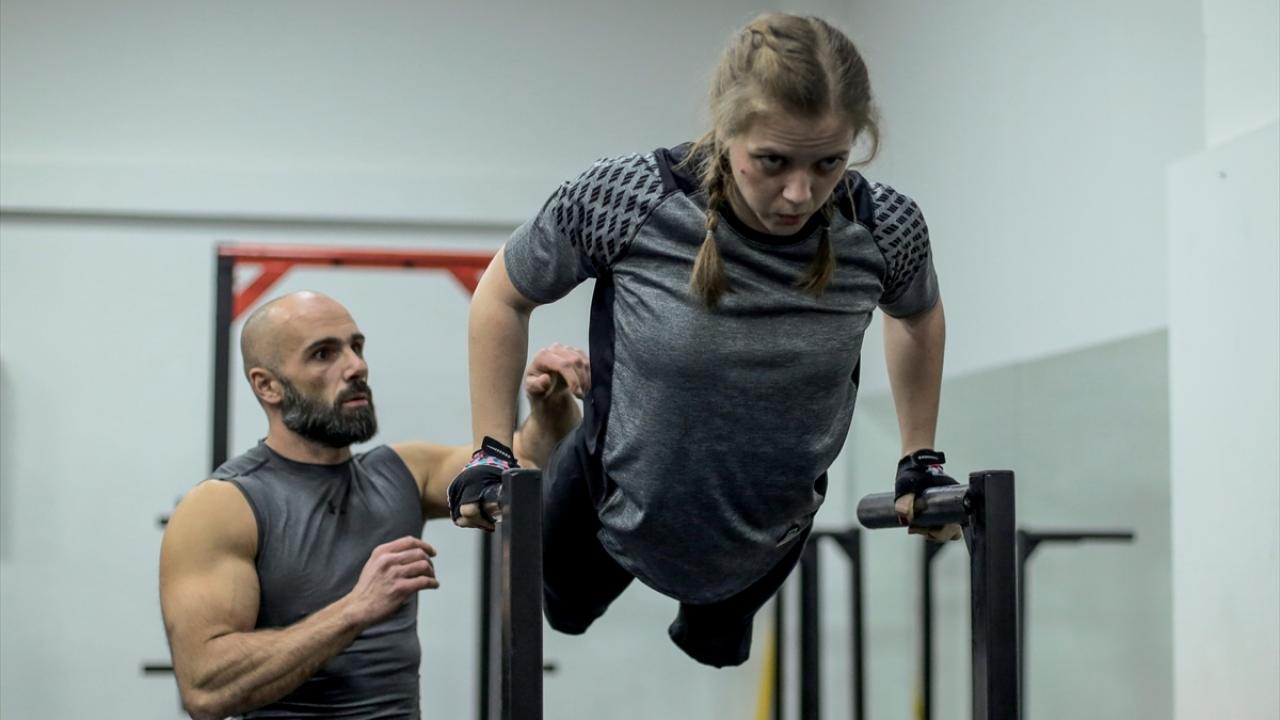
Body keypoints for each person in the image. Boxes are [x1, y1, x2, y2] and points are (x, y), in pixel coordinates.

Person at [449, 13, 960, 669]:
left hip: (763, 525)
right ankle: (558, 431)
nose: (800, 193)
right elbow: (501, 295)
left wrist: (919, 456)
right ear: (727, 128)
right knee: (564, 614)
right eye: (772, 161)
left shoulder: (884, 227)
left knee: (716, 650)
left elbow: (919, 316)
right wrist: (492, 451)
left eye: (829, 162)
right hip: (607, 499)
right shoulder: (627, 198)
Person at [159, 290, 587, 719]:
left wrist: (550, 403)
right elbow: (205, 690)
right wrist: (355, 610)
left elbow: (525, 461)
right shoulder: (224, 504)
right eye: (324, 354)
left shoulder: (402, 472)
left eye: (356, 347)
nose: (356, 366)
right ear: (267, 385)